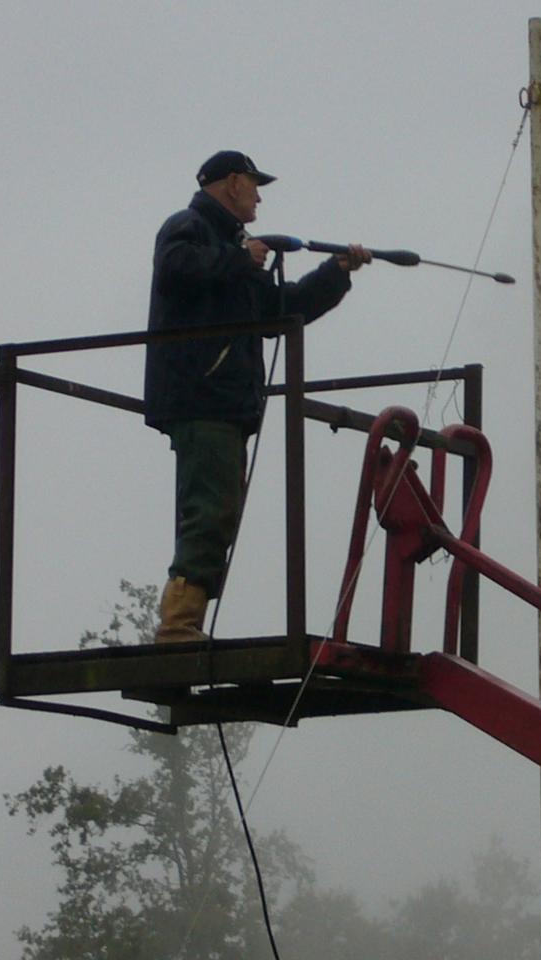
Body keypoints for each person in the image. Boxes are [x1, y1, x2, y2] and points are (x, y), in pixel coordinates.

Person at [143, 150, 370, 643]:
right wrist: (238, 258)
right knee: (210, 508)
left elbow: (277, 311)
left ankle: (184, 620)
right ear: (231, 183)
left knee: (218, 508)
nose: (259, 195)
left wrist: (336, 273)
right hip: (201, 396)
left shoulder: (232, 246)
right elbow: (175, 267)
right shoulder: (188, 227)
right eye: (253, 184)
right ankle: (178, 625)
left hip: (221, 399)